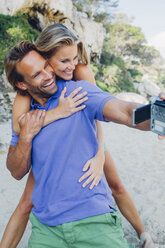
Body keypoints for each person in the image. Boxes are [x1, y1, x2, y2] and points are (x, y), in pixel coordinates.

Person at [0, 24, 155, 248]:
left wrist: (157, 116)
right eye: (37, 73)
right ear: (22, 84)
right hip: (47, 228)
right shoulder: (25, 112)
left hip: (93, 219)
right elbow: (15, 169)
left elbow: (124, 111)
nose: (48, 75)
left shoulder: (77, 88)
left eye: (45, 67)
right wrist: (27, 134)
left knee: (116, 185)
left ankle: (143, 233)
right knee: (26, 202)